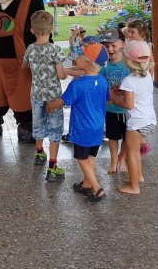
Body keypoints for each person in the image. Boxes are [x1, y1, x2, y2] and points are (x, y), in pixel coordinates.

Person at [47, 43, 109, 204]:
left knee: (81, 159)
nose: (76, 58)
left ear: (87, 63)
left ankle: (97, 189)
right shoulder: (102, 80)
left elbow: (62, 101)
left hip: (83, 129)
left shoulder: (78, 85)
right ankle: (86, 184)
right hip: (97, 127)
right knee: (90, 156)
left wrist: (50, 106)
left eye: (80, 56)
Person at [22, 11, 67, 182]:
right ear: (51, 30)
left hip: (36, 95)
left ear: (32, 30)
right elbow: (62, 75)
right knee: (55, 130)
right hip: (53, 98)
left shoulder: (31, 49)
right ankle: (53, 167)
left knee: (38, 125)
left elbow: (24, 65)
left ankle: (40, 154)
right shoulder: (55, 50)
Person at [109, 40, 156, 195]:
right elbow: (139, 94)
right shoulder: (147, 75)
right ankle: (138, 177)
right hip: (149, 120)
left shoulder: (129, 80)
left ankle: (134, 187)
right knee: (135, 152)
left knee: (132, 154)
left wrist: (114, 98)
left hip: (136, 123)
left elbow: (129, 105)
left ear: (128, 60)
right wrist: (122, 90)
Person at [100, 28, 130, 174]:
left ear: (122, 44)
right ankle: (113, 160)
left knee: (127, 137)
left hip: (126, 109)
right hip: (110, 108)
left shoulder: (129, 64)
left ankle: (121, 157)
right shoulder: (103, 66)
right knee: (112, 136)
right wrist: (108, 93)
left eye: (113, 45)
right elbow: (99, 83)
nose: (110, 49)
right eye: (106, 46)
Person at [125, 19, 153, 156]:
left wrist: (149, 77)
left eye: (133, 32)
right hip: (134, 79)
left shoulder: (143, 47)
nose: (129, 34)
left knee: (136, 115)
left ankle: (140, 145)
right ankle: (139, 145)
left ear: (142, 33)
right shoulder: (132, 43)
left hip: (139, 78)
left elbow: (151, 62)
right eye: (129, 31)